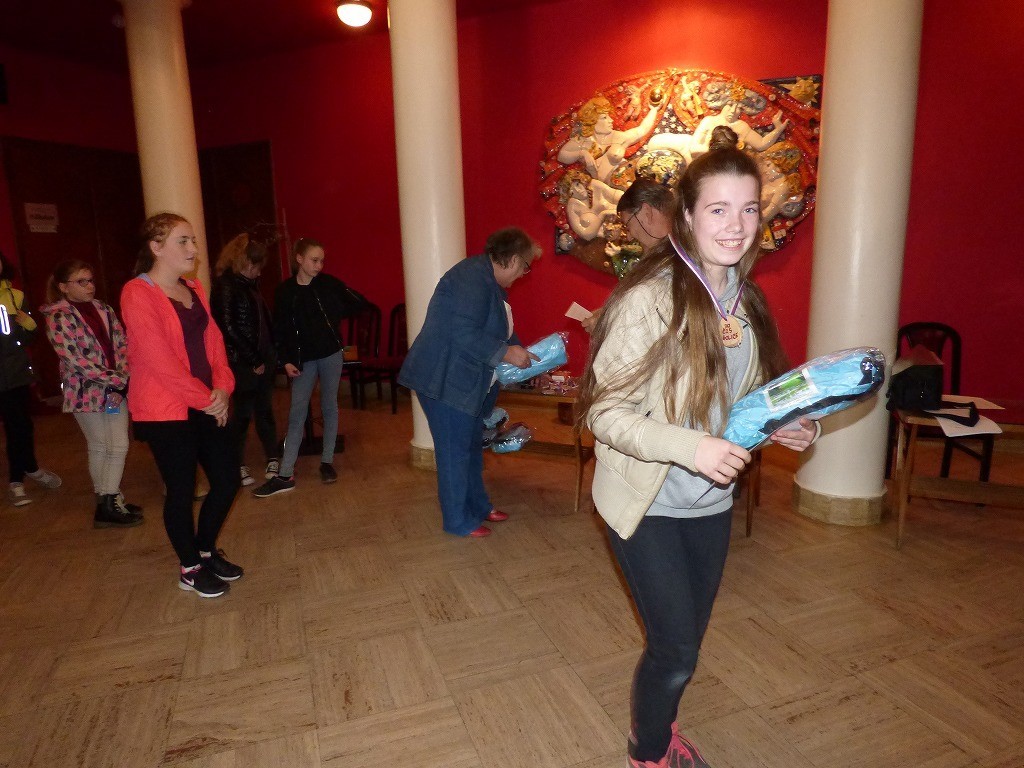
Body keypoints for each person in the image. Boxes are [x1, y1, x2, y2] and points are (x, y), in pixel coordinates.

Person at [575, 133, 819, 768]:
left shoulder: (745, 299)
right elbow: (604, 413)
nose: (736, 225)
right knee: (675, 648)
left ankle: (664, 720)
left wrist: (788, 425)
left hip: (710, 503)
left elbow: (752, 398)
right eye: (718, 209)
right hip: (647, 501)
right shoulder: (648, 300)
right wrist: (694, 447)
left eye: (748, 209)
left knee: (687, 640)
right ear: (686, 215)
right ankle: (649, 753)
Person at [121, 213, 242, 599]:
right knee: (181, 490)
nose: (193, 248)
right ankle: (189, 568)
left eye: (193, 240)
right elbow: (159, 362)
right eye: (183, 241)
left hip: (206, 402)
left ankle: (204, 551)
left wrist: (222, 388)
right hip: (166, 411)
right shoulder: (137, 293)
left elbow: (215, 344)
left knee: (227, 480)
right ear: (156, 248)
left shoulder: (194, 288)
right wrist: (208, 400)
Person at [398, 227, 540, 538]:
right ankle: (457, 520)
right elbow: (462, 332)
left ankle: (478, 506)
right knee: (455, 452)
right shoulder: (471, 278)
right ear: (513, 259)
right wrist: (506, 352)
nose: (523, 274)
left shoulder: (488, 281)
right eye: (525, 266)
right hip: (444, 381)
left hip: (464, 381)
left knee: (472, 448)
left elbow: (497, 329)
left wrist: (519, 349)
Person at [254, 237, 367, 497]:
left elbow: (358, 302)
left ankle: (327, 462)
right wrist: (286, 359)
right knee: (297, 412)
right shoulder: (285, 291)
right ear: (299, 259)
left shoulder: (328, 284)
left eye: (322, 261)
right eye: (314, 260)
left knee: (329, 406)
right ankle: (286, 474)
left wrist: (334, 314)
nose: (319, 266)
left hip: (331, 355)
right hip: (302, 360)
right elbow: (279, 329)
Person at [41, 259, 143, 527]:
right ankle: (108, 502)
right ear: (64, 287)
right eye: (81, 282)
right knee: (102, 446)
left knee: (116, 444)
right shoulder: (59, 317)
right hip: (85, 392)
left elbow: (121, 344)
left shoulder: (104, 309)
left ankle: (109, 501)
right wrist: (115, 379)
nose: (89, 286)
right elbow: (75, 360)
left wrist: (121, 377)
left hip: (113, 390)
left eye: (90, 280)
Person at [211, 234, 280, 488]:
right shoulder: (226, 286)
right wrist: (253, 359)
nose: (258, 271)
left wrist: (269, 354)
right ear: (244, 262)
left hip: (262, 358)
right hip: (242, 362)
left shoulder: (250, 285)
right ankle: (236, 464)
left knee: (265, 410)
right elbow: (228, 327)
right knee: (241, 415)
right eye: (256, 266)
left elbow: (261, 322)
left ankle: (273, 458)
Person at [0, 249, 62, 506]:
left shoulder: (15, 296)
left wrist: (29, 324)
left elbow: (26, 339)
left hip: (14, 374)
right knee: (16, 426)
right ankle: (27, 471)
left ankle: (20, 477)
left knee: (21, 426)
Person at [580, 178, 675, 334]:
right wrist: (609, 314)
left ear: (647, 213)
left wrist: (610, 322)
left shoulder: (680, 257)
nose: (629, 237)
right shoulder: (666, 255)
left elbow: (660, 321)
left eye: (628, 226)